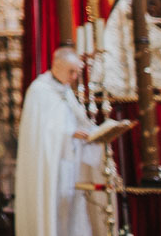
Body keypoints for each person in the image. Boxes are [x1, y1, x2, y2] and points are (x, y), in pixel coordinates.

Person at [15, 47, 106, 236]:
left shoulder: (64, 90)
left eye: (76, 72)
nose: (74, 77)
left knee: (70, 211)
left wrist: (95, 132)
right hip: (48, 165)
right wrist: (70, 133)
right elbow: (39, 133)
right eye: (71, 72)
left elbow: (78, 119)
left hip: (67, 162)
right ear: (56, 66)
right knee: (51, 209)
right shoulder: (39, 90)